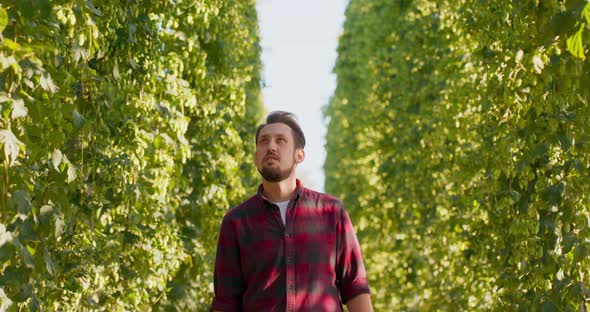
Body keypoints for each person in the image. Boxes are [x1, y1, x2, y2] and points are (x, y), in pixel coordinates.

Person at [211, 111, 373, 311]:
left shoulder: (332, 212)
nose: (271, 146)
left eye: (281, 140)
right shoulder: (235, 222)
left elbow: (355, 286)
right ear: (255, 157)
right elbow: (226, 301)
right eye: (263, 141)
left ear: (299, 155)